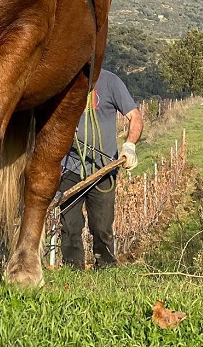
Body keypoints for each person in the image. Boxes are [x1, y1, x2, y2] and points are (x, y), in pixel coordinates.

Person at [59, 68, 143, 269]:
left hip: (103, 169)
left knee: (102, 226)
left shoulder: (111, 82)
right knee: (70, 225)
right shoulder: (63, 81)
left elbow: (135, 117)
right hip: (70, 168)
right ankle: (72, 270)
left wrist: (129, 146)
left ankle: (105, 267)